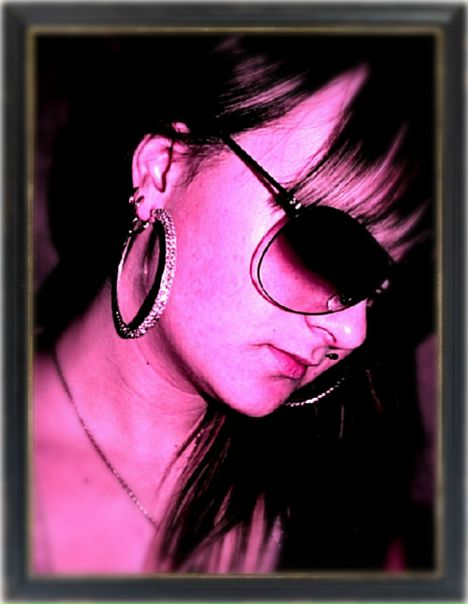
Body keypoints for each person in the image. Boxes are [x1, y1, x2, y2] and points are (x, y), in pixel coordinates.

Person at [33, 34, 434, 574]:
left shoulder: (347, 490)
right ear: (161, 170)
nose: (352, 331)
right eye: (330, 250)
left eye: (383, 289)